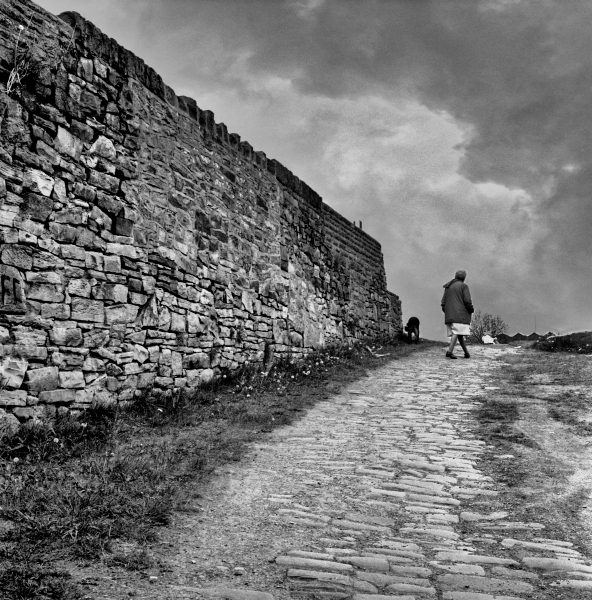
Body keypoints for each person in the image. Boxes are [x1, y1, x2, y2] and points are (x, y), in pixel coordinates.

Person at [441, 269, 474, 359]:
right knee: (457, 332)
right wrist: (471, 309)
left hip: (450, 313)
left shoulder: (448, 286)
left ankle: (466, 353)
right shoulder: (463, 286)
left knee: (459, 334)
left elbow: (443, 302)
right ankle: (449, 351)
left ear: (455, 276)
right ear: (464, 278)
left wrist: (447, 311)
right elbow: (467, 300)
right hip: (460, 314)